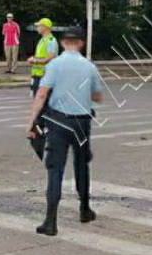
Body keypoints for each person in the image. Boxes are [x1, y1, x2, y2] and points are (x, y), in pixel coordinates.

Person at [25, 27, 103, 236]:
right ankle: (84, 209)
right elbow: (97, 96)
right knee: (81, 165)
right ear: (81, 43)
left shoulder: (55, 65)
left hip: (58, 122)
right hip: (81, 123)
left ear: (62, 43)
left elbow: (41, 94)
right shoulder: (89, 66)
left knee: (55, 169)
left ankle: (50, 221)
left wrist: (31, 123)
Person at [28, 18, 58, 96]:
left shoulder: (51, 41)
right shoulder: (42, 40)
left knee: (43, 101)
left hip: (45, 76)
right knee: (37, 99)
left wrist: (34, 61)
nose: (37, 28)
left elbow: (50, 58)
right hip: (38, 75)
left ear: (45, 27)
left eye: (39, 26)